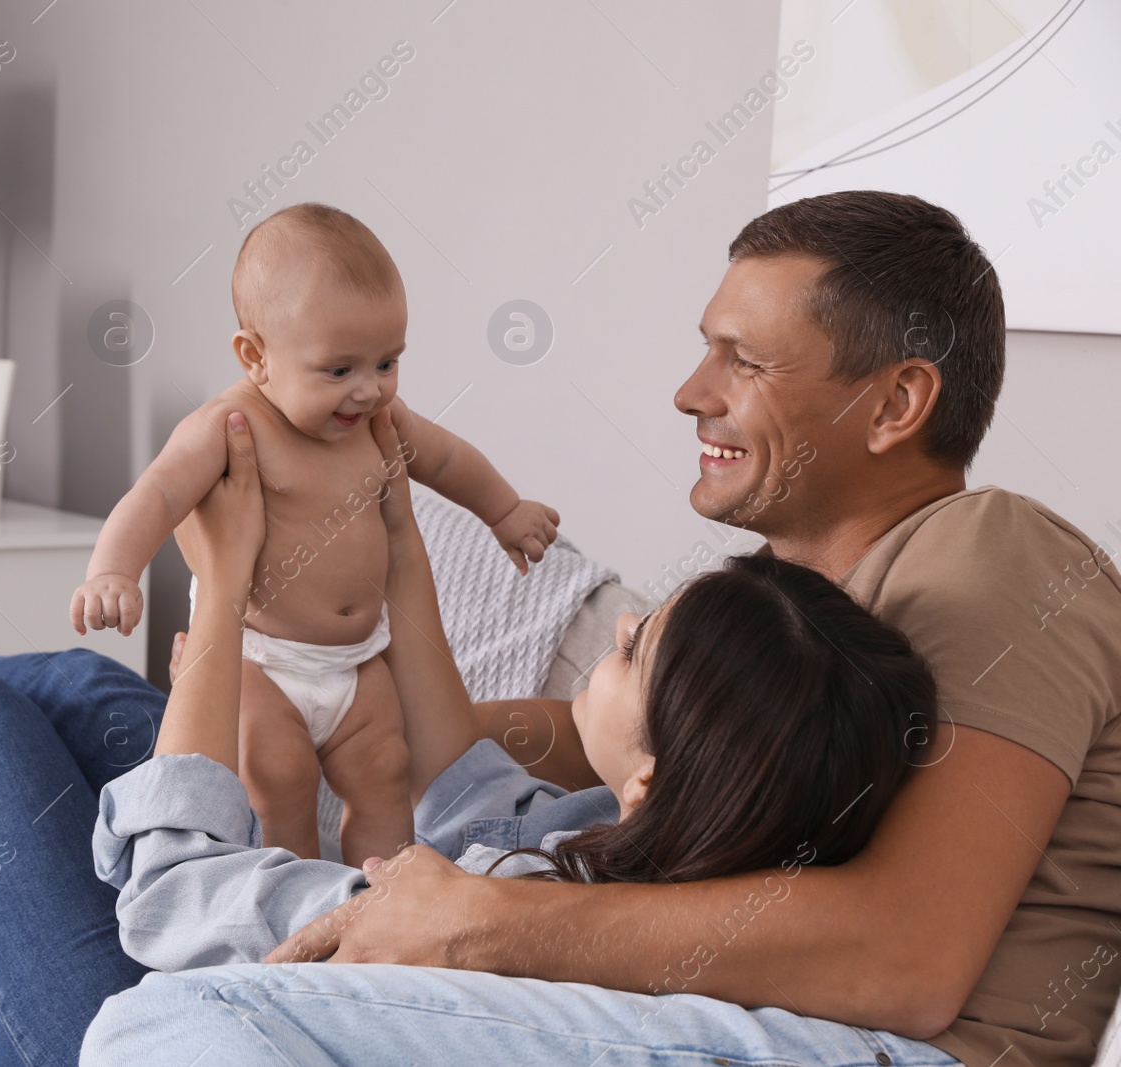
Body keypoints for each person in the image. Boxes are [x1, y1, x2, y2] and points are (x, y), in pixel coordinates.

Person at [83, 191, 1121, 1067]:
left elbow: (906, 956)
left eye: (741, 360)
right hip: (712, 988)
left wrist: (483, 923)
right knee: (95, 718)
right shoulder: (788, 595)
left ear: (896, 403)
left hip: (871, 1045)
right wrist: (318, 716)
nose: (688, 392)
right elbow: (587, 741)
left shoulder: (995, 554)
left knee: (171, 999)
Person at [81, 406, 940, 987]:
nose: (619, 628)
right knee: (73, 688)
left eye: (636, 650)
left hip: (136, 969)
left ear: (653, 773)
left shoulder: (491, 906)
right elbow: (463, 780)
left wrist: (224, 585)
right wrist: (397, 536)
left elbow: (169, 898)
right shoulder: (615, 838)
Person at [68, 202, 559, 866]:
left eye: (387, 362)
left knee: (387, 769)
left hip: (357, 660)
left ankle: (376, 903)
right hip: (263, 659)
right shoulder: (230, 427)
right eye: (339, 370)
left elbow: (445, 459)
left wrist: (503, 509)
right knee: (281, 778)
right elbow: (157, 494)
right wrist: (113, 570)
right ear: (256, 356)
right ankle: (294, 899)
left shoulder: (382, 421)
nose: (369, 390)